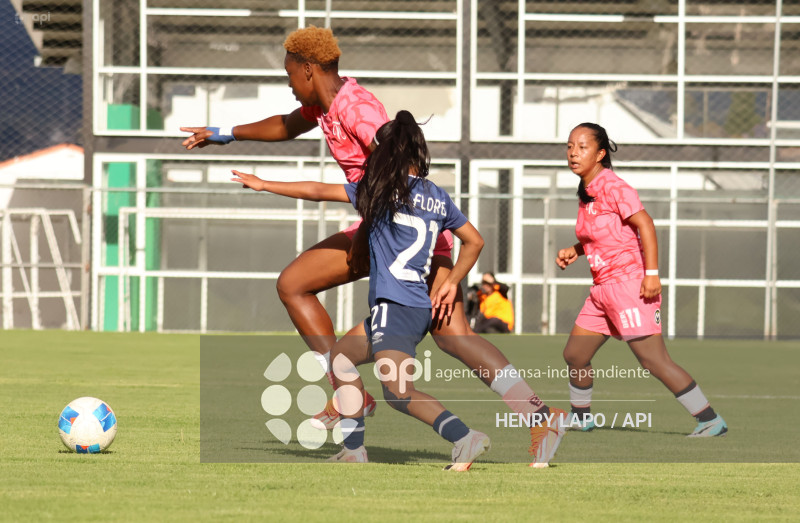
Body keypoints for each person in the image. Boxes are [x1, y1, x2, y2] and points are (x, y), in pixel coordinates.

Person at [181, 26, 569, 464]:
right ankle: (359, 403)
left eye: (290, 74)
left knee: (452, 336)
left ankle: (532, 416)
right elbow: (286, 125)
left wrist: (417, 250)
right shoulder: (323, 105)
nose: (288, 84)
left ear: (308, 69)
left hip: (408, 235)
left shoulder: (357, 108)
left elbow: (403, 165)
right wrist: (225, 133)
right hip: (386, 229)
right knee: (299, 287)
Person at [233, 111, 490, 469]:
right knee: (340, 358)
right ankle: (354, 450)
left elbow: (318, 191)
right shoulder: (437, 196)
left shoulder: (380, 190)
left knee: (399, 394)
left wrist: (265, 184)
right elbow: (474, 242)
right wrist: (450, 281)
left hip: (395, 308)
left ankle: (465, 437)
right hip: (413, 306)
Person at [555, 122, 727, 437]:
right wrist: (576, 250)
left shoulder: (614, 186)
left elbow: (645, 225)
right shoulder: (587, 190)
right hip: (602, 290)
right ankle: (581, 417)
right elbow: (606, 235)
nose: (573, 153)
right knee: (575, 354)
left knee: (653, 361)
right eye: (569, 146)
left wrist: (651, 274)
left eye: (582, 147)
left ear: (601, 153)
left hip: (629, 286)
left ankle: (710, 419)